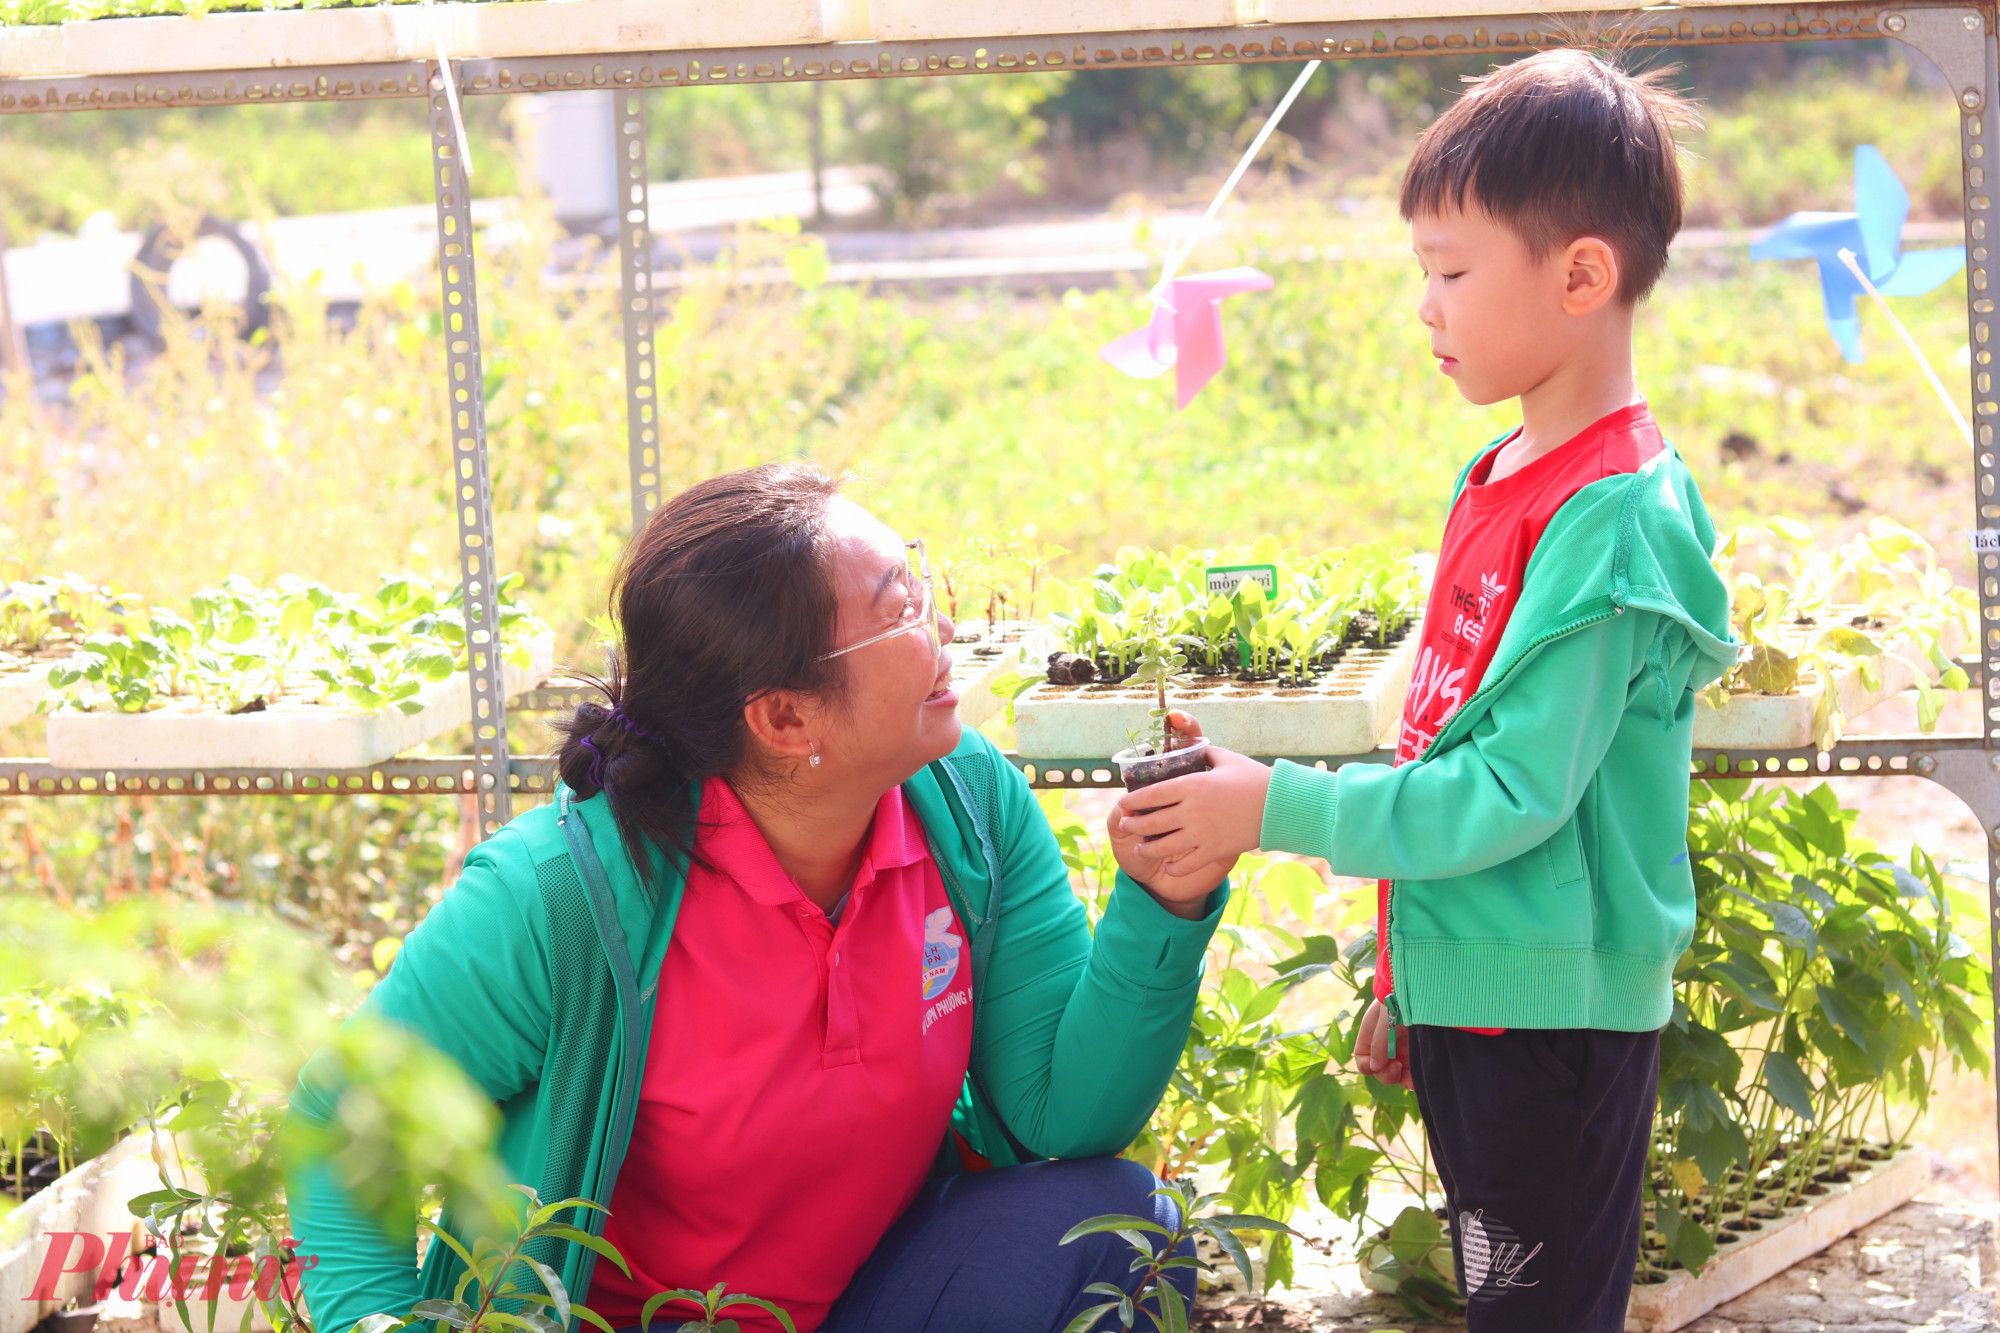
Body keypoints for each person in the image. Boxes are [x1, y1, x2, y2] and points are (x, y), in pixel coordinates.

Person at [286, 464, 1237, 1333]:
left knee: (1118, 1229)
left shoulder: (966, 802)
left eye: (922, 586)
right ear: (786, 717)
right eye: (901, 610)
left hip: (867, 1302)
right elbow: (343, 1117)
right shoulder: (559, 898)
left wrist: (1162, 902)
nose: (942, 628)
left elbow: (1060, 1114)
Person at [1111, 51, 1737, 1331]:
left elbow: (1509, 792)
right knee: (1507, 1295)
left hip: (1549, 1031)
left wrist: (1269, 805)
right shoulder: (1503, 473)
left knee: (1535, 1310)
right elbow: (1449, 727)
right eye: (1422, 275)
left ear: (1579, 275)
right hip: (1486, 1009)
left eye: (1451, 272)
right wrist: (1415, 980)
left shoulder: (1611, 521)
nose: (1427, 306)